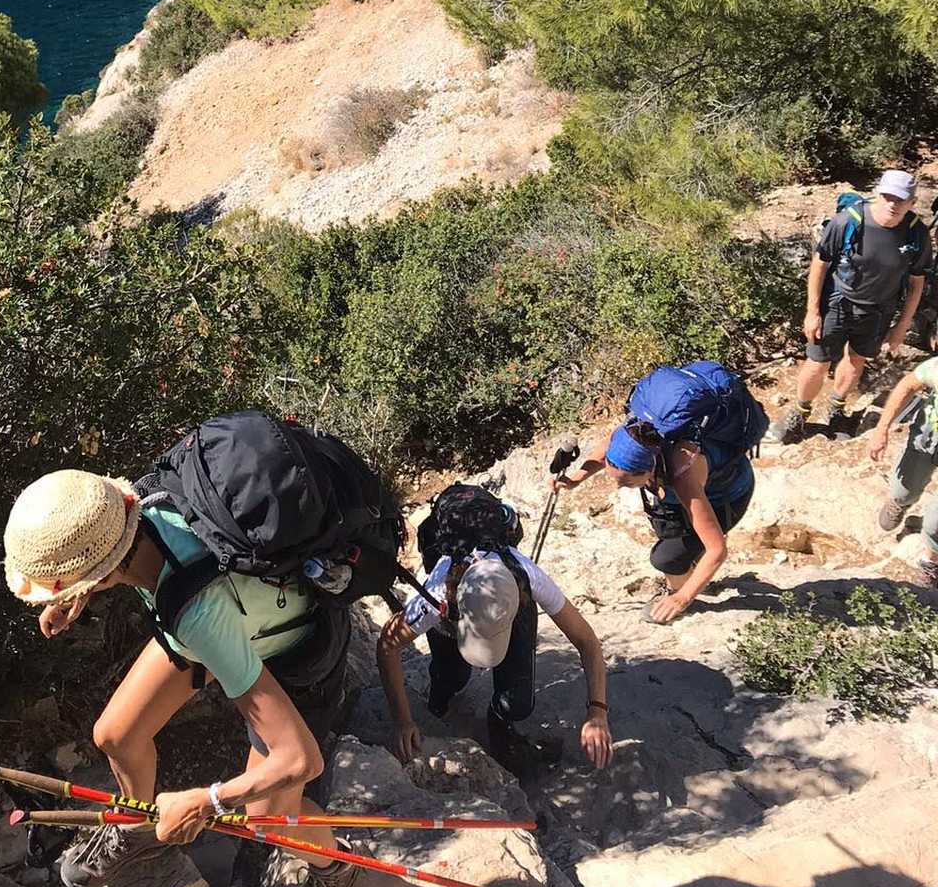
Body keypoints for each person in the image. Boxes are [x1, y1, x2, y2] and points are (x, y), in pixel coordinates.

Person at [3, 468, 359, 887]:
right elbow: (139, 567)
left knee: (266, 813)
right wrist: (77, 593)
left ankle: (337, 870)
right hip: (222, 616)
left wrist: (207, 801)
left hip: (290, 650)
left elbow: (300, 759)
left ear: (103, 566)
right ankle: (137, 829)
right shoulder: (143, 504)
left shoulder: (199, 616)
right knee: (116, 735)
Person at [376, 484, 612, 776]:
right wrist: (404, 721)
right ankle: (440, 697)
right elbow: (387, 645)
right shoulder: (435, 593)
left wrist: (597, 712)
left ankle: (500, 721)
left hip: (505, 603)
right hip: (453, 606)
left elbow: (587, 641)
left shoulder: (528, 576)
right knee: (452, 675)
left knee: (518, 702)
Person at [558, 389, 758, 626]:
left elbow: (717, 549)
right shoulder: (635, 437)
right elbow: (606, 450)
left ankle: (680, 592)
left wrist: (682, 599)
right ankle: (690, 573)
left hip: (726, 496)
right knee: (666, 529)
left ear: (649, 469)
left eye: (626, 482)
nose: (620, 487)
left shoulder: (682, 477)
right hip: (684, 491)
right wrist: (575, 480)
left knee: (667, 558)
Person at [773, 171, 933, 444]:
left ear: (913, 201)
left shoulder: (916, 234)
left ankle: (837, 409)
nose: (893, 204)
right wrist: (812, 312)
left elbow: (916, 283)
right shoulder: (849, 220)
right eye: (888, 196)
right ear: (878, 193)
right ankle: (799, 412)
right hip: (838, 302)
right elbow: (820, 265)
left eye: (901, 199)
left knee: (856, 359)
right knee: (818, 361)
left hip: (879, 309)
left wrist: (901, 327)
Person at [870, 357, 938, 588]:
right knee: (903, 489)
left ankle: (931, 563)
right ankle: (900, 502)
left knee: (934, 523)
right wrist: (882, 429)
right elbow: (907, 385)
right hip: (928, 437)